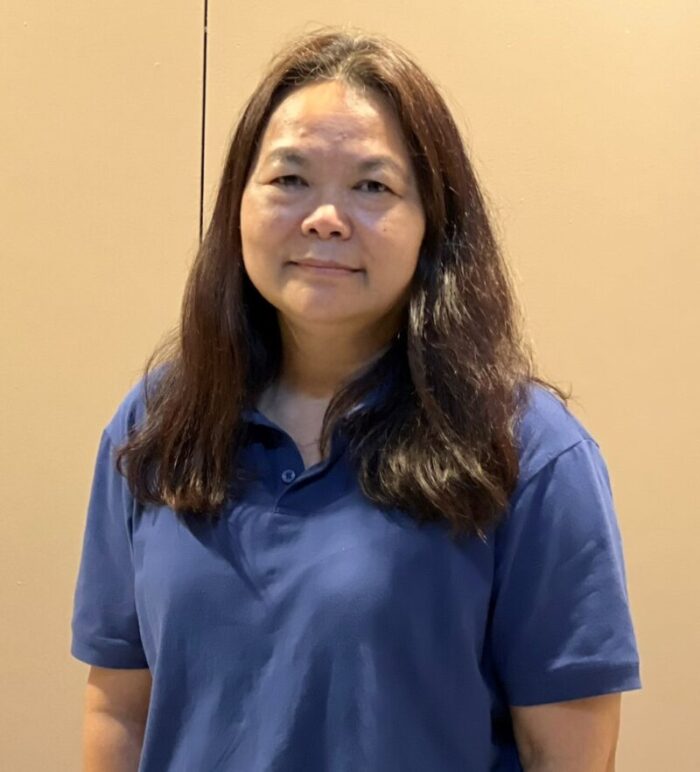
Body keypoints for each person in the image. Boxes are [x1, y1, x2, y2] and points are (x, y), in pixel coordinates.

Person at [71, 28, 642, 771]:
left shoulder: (527, 450)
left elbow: (564, 751)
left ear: (433, 223)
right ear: (237, 204)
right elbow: (119, 706)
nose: (326, 217)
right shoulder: (158, 422)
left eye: (372, 187)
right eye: (289, 179)